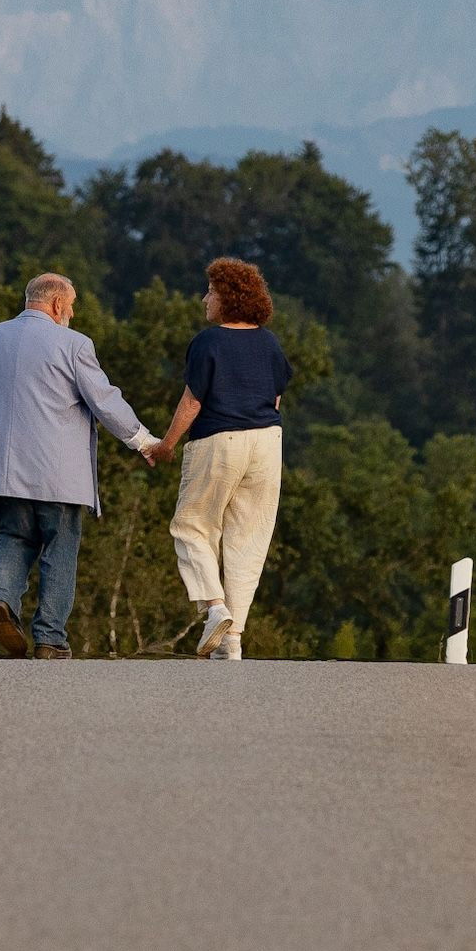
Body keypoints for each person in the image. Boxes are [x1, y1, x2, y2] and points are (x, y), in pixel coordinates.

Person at [0, 272, 161, 658]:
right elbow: (105, 401)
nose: (73, 313)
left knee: (12, 536)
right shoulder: (74, 344)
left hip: (2, 468)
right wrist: (144, 442)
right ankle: (50, 639)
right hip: (59, 474)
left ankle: (2, 600)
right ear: (56, 304)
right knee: (60, 547)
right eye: (72, 305)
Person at [152, 256, 290, 660]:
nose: (204, 299)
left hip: (218, 441)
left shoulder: (208, 342)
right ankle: (232, 641)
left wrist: (166, 444)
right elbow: (276, 398)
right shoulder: (270, 343)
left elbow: (192, 402)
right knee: (249, 540)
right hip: (267, 443)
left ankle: (214, 608)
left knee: (191, 527)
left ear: (229, 298)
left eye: (210, 292)